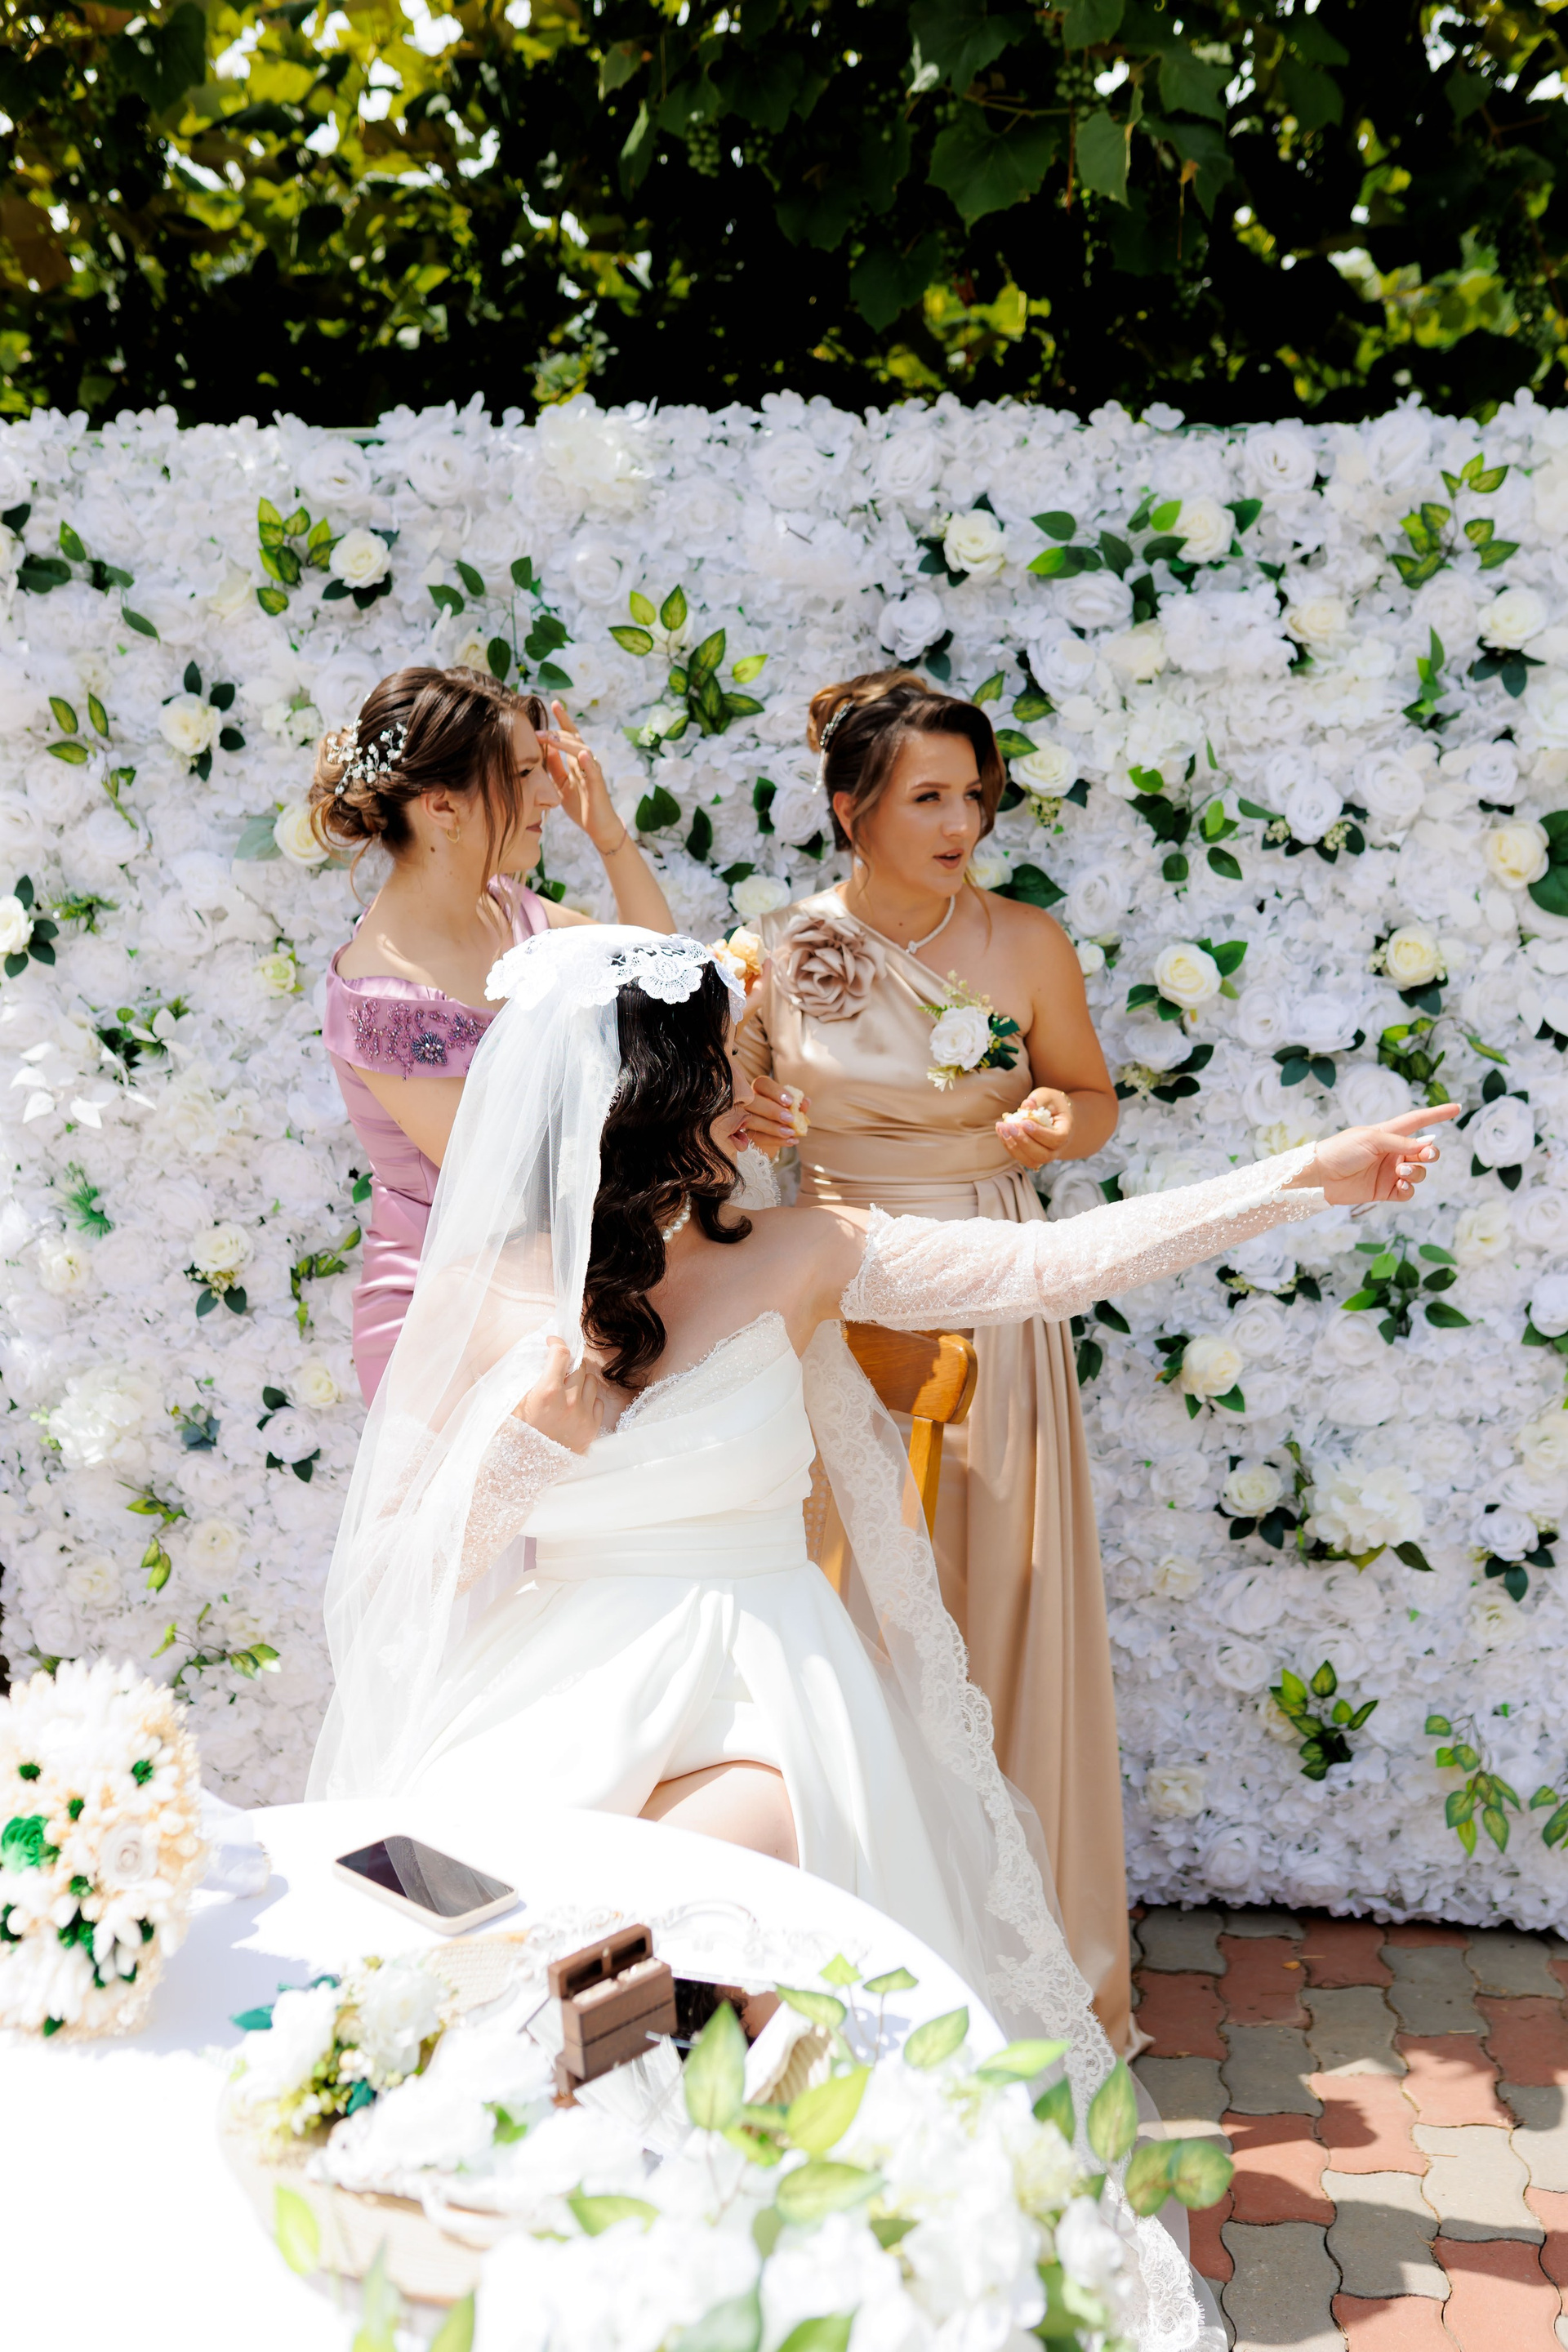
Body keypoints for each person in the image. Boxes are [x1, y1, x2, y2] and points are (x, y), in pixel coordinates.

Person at [308, 924, 1450, 2342]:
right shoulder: (495, 1292)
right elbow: (408, 1569)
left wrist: (1302, 1178)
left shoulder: (804, 1248)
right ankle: (527, 2260)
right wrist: (531, 1450)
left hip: (765, 1692)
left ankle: (702, 2260)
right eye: (723, 1063)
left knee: (667, 1924)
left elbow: (1051, 1265)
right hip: (566, 1676)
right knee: (465, 1950)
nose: (753, 1086)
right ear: (654, 1099)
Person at [737, 669, 1137, 2043]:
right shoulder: (776, 955)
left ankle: (1033, 1960)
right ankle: (865, 1947)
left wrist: (1055, 1123)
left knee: (1003, 1596)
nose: (962, 822)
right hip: (838, 1289)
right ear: (852, 808)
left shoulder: (1026, 943)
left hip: (996, 1284)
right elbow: (725, 1123)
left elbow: (1091, 1099)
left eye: (974, 795)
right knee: (847, 1602)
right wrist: (751, 1115)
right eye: (928, 797)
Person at [313, 665, 684, 1402]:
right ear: (442, 805)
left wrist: (608, 835)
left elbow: (661, 970)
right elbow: (511, 1179)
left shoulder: (506, 909)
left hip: (560, 1287)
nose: (548, 793)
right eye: (522, 774)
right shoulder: (380, 1000)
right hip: (447, 1322)